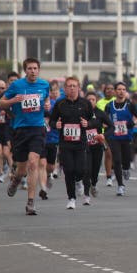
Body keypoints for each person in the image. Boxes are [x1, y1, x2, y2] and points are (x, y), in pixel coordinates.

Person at [1, 58, 50, 215]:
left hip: (37, 129)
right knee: (21, 168)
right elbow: (2, 103)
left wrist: (47, 104)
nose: (33, 71)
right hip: (21, 129)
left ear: (39, 70)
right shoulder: (17, 85)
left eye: (35, 68)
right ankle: (16, 179)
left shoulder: (44, 85)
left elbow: (46, 99)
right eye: (30, 68)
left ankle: (30, 202)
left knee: (33, 163)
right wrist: (13, 100)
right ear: (25, 70)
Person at [49, 77, 94, 209]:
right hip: (65, 143)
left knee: (80, 170)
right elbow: (51, 121)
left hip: (80, 142)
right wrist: (55, 124)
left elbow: (94, 120)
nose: (72, 88)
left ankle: (79, 180)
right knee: (68, 170)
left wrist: (88, 123)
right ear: (65, 89)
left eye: (75, 86)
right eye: (69, 86)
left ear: (79, 88)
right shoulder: (60, 103)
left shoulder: (86, 103)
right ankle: (71, 198)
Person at [105, 82, 137, 197]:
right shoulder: (109, 106)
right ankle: (120, 185)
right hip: (114, 136)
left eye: (123, 89)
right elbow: (104, 120)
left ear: (126, 91)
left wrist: (133, 122)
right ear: (115, 91)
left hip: (127, 137)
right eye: (119, 89)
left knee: (126, 159)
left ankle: (126, 169)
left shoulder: (130, 105)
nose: (121, 91)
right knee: (116, 160)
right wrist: (107, 125)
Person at [84, 91, 111, 199]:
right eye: (88, 100)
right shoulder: (81, 113)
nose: (91, 102)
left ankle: (93, 184)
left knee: (95, 170)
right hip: (85, 145)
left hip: (97, 145)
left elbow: (111, 126)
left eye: (93, 100)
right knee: (87, 169)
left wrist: (103, 135)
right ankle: (86, 194)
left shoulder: (100, 113)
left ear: (96, 101)